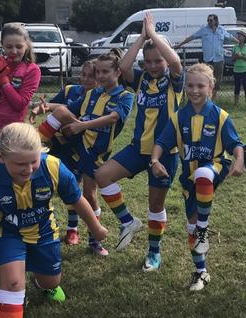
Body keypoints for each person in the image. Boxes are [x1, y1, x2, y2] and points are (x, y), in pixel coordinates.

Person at [0, 123, 108, 318]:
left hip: (44, 231)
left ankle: (41, 281)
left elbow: (77, 200)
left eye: (33, 161)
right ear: (1, 158)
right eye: (20, 164)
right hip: (5, 233)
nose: (28, 169)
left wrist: (96, 228)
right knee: (13, 282)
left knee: (50, 282)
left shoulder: (53, 167)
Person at [94, 13, 184, 271]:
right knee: (102, 176)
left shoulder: (174, 81)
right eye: (149, 61)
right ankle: (127, 221)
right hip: (138, 149)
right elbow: (122, 67)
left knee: (155, 205)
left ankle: (154, 252)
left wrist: (154, 35)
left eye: (158, 61)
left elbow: (175, 61)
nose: (154, 65)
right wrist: (143, 37)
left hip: (166, 153)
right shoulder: (143, 79)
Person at [151, 63, 244, 291]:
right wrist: (154, 161)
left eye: (200, 85)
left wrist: (239, 160)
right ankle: (201, 272)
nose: (194, 90)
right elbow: (162, 142)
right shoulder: (178, 117)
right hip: (189, 179)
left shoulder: (221, 116)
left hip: (215, 167)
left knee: (203, 173)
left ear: (211, 87)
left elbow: (235, 145)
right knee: (191, 226)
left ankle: (204, 229)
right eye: (190, 85)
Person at [37, 50, 133, 257]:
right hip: (77, 144)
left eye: (105, 71)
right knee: (61, 114)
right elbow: (66, 108)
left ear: (118, 72)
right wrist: (44, 108)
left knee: (89, 195)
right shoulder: (92, 93)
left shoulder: (126, 96)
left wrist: (82, 126)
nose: (100, 76)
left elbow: (113, 118)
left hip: (96, 152)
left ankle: (94, 240)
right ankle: (35, 145)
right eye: (97, 72)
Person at [30, 59, 97, 247]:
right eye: (83, 74)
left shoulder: (98, 98)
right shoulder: (71, 90)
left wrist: (58, 112)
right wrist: (41, 107)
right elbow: (53, 105)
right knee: (42, 182)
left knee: (72, 187)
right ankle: (40, 224)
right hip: (57, 143)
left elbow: (62, 111)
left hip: (77, 146)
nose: (86, 79)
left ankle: (72, 230)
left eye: (91, 76)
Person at [0, 22, 40, 166]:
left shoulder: (32, 70)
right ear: (2, 45)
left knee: (8, 179)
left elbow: (19, 104)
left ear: (26, 45)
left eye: (19, 46)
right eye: (8, 47)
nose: (14, 51)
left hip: (11, 134)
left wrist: (4, 81)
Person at [175, 13, 236, 100]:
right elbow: (191, 37)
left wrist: (242, 43)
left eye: (211, 20)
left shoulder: (221, 29)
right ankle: (207, 99)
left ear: (215, 21)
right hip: (208, 59)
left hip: (219, 59)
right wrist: (180, 45)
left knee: (217, 80)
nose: (209, 22)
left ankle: (213, 101)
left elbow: (230, 37)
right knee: (206, 79)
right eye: (208, 20)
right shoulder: (203, 30)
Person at [232, 30, 246, 105]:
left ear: (244, 37)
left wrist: (242, 56)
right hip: (237, 69)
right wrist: (236, 56)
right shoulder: (235, 46)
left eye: (240, 35)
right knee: (237, 86)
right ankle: (236, 103)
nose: (238, 37)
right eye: (238, 35)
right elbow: (232, 59)